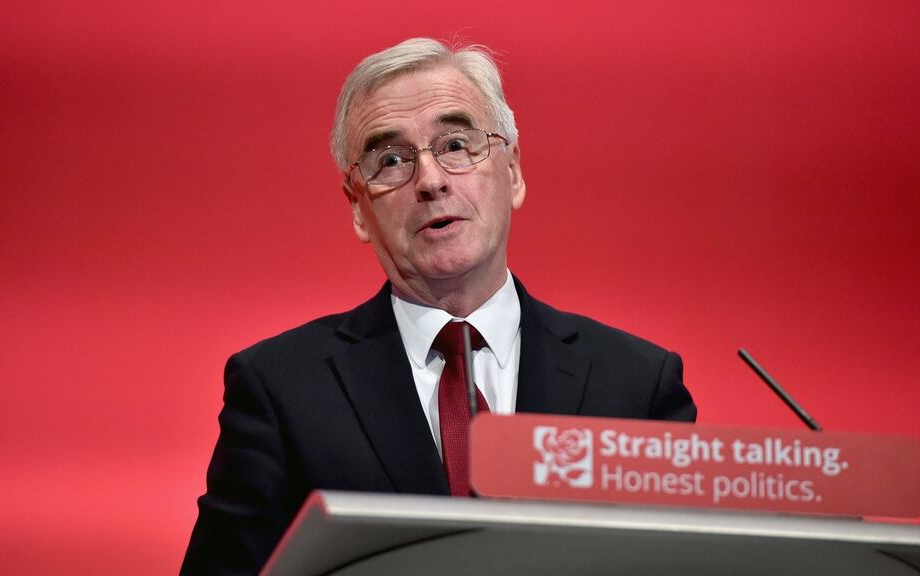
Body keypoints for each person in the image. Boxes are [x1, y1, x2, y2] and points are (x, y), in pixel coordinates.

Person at [181, 37, 696, 575]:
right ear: (358, 208)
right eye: (391, 160)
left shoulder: (636, 386)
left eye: (455, 144)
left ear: (513, 171)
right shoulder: (280, 390)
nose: (430, 181)